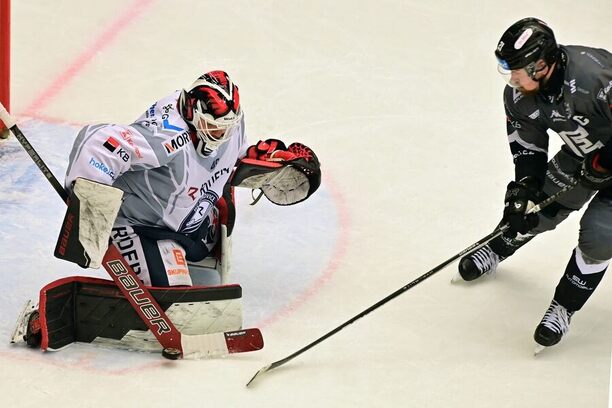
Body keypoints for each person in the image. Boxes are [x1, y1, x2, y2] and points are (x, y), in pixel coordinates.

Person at [61, 70, 321, 287]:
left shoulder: (228, 125)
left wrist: (264, 160)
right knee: (175, 298)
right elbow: (98, 141)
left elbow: (234, 154)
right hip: (141, 225)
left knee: (213, 233)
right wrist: (87, 204)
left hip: (192, 219)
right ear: (195, 114)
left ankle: (186, 246)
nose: (221, 134)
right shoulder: (166, 136)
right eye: (215, 127)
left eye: (227, 127)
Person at [456, 18, 612, 350]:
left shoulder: (594, 76)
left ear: (541, 66)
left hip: (599, 158)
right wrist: (524, 187)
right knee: (535, 206)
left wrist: (606, 162)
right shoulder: (519, 95)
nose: (511, 77)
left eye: (516, 68)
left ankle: (564, 307)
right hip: (583, 155)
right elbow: (528, 147)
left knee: (600, 236)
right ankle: (497, 248)